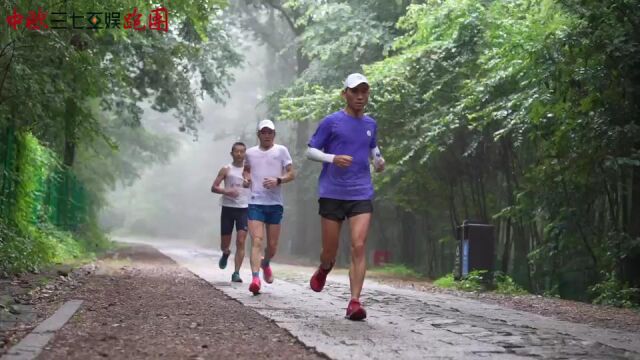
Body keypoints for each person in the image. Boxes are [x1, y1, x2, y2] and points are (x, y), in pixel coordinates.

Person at [305, 73, 385, 320]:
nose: (360, 96)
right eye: (355, 92)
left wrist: (379, 161)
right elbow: (310, 151)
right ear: (345, 94)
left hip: (361, 192)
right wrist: (332, 158)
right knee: (330, 250)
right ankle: (325, 267)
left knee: (358, 246)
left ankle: (354, 302)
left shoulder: (371, 124)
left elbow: (373, 148)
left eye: (364, 92)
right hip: (332, 192)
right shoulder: (332, 122)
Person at [243, 119, 295, 294]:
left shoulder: (281, 151)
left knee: (272, 246)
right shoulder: (250, 153)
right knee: (257, 240)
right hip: (255, 201)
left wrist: (278, 180)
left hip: (275, 204)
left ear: (274, 134)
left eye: (269, 132)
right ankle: (256, 279)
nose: (266, 135)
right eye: (263, 132)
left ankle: (265, 263)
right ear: (258, 135)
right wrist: (247, 178)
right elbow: (247, 170)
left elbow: (291, 174)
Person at [211, 142, 249, 283]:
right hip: (227, 208)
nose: (239, 154)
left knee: (241, 241)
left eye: (242, 152)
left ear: (245, 154)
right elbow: (214, 187)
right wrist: (227, 191)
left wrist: (249, 184)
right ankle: (226, 253)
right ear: (232, 153)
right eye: (236, 151)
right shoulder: (226, 169)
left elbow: (256, 187)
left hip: (244, 209)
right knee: (224, 245)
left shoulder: (249, 170)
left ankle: (236, 273)